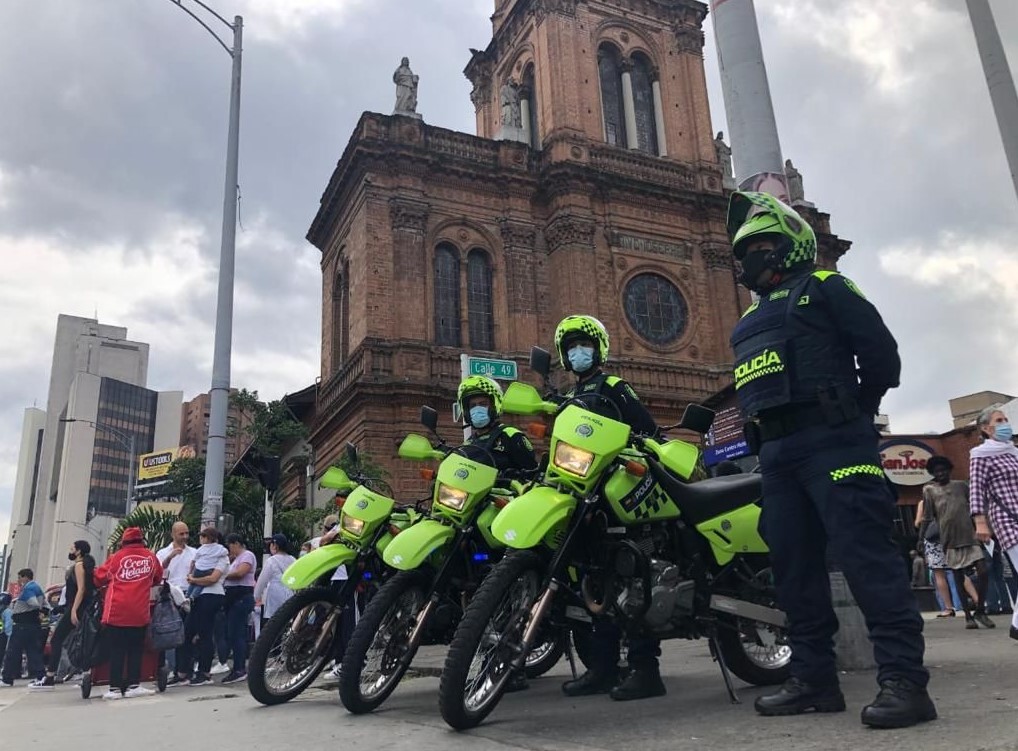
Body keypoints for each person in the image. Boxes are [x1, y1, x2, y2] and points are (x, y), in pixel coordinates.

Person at [726, 190, 934, 728]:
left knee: (868, 562)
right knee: (793, 572)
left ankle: (905, 683)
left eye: (761, 247)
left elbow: (881, 355)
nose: (750, 260)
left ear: (789, 245)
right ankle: (813, 681)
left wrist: (855, 409)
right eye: (744, 252)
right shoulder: (750, 317)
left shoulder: (826, 287)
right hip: (776, 457)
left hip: (834, 442)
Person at [552, 314, 663, 702]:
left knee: (631, 577)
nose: (577, 352)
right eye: (571, 347)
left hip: (618, 494)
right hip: (584, 500)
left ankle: (646, 670)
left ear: (598, 350)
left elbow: (647, 431)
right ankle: (602, 668)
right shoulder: (568, 400)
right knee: (594, 582)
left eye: (583, 345)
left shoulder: (614, 387)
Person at [921, 456, 994, 629]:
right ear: (932, 473)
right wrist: (920, 538)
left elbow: (976, 507)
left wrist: (985, 527)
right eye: (937, 472)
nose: (941, 474)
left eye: (944, 470)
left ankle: (980, 610)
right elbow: (927, 517)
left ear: (949, 470)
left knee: (983, 571)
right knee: (958, 577)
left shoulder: (961, 486)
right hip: (950, 540)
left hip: (969, 536)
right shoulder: (929, 490)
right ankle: (968, 616)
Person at [93, 528, 163, 699]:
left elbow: (99, 578)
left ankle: (114, 688)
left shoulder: (116, 557)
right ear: (142, 540)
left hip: (116, 611)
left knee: (117, 650)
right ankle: (133, 685)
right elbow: (157, 578)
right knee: (136, 649)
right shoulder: (150, 557)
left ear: (123, 541)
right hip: (139, 611)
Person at [968, 405, 1018, 641]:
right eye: (999, 420)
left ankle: (1017, 626)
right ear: (986, 428)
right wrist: (980, 522)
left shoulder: (1013, 452)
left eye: (1005, 419)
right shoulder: (980, 454)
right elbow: (976, 489)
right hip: (1006, 518)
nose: (1005, 423)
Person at [29, 541, 96, 689]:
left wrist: (73, 610)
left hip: (76, 607)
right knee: (80, 641)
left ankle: (50, 676)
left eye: (72, 548)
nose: (70, 551)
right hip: (81, 607)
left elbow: (81, 589)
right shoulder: (84, 565)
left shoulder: (79, 565)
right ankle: (84, 672)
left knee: (57, 639)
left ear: (78, 551)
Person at [170, 528, 229, 687]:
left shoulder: (222, 556)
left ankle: (204, 672)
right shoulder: (201, 553)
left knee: (205, 634)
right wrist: (192, 577)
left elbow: (213, 578)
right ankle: (183, 672)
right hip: (197, 596)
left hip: (212, 595)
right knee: (187, 632)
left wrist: (195, 580)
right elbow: (193, 566)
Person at [458, 375, 538, 476]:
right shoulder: (467, 444)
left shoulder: (511, 435)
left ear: (494, 406)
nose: (477, 409)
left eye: (483, 404)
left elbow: (532, 473)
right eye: (472, 406)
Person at [915, 495, 972, 617]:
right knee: (958, 570)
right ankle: (976, 599)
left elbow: (918, 522)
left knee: (939, 574)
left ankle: (948, 607)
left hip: (933, 541)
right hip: (950, 537)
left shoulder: (923, 503)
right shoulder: (948, 498)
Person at [0, 569, 47, 687]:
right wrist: (40, 612)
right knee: (33, 651)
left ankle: (7, 678)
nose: (18, 580)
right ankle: (41, 676)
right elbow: (45, 604)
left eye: (20, 577)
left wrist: (34, 609)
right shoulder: (37, 587)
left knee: (12, 651)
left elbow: (33, 603)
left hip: (22, 625)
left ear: (26, 577)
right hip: (33, 625)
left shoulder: (28, 588)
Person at [221, 534, 257, 685]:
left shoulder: (247, 555)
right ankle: (237, 666)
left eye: (230, 545)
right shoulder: (235, 559)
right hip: (232, 597)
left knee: (237, 634)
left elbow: (241, 573)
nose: (229, 549)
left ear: (236, 543)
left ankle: (239, 668)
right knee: (232, 633)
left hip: (241, 596)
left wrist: (222, 575)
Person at [254, 534, 297, 624]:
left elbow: (262, 581)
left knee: (273, 622)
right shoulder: (293, 559)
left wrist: (256, 596)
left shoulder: (271, 560)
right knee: (287, 622)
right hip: (290, 593)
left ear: (275, 545)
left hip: (275, 594)